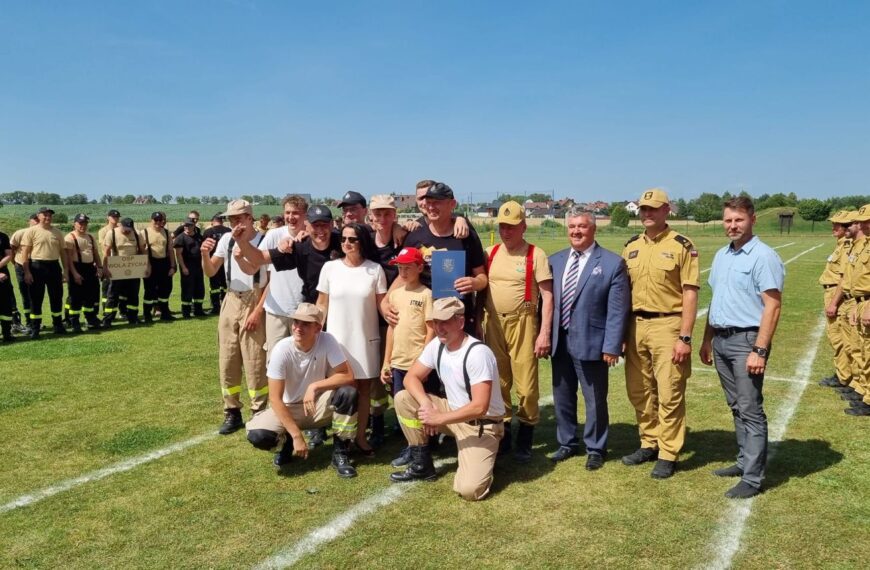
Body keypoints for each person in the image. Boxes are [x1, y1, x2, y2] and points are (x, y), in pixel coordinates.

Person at [699, 196, 784, 499]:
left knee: (750, 409)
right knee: (736, 406)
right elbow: (716, 300)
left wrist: (759, 350)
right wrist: (707, 338)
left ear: (752, 220)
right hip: (721, 339)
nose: (732, 225)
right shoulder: (722, 255)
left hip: (746, 341)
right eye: (728, 220)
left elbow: (772, 306)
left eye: (739, 220)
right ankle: (742, 460)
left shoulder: (763, 256)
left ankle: (752, 477)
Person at [390, 296, 505, 501]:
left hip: (481, 424)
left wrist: (438, 418)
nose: (439, 328)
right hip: (452, 413)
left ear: (460, 322)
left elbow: (480, 406)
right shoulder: (437, 345)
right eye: (435, 322)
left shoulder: (478, 353)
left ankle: (488, 452)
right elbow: (410, 378)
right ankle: (421, 463)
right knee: (403, 398)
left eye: (445, 322)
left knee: (469, 490)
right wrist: (427, 405)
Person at [621, 188, 700, 479]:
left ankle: (668, 452)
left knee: (669, 391)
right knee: (639, 389)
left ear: (667, 210)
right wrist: (621, 333)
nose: (647, 213)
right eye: (643, 208)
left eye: (653, 208)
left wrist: (685, 336)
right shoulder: (631, 246)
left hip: (668, 325)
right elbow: (622, 292)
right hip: (635, 325)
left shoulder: (681, 245)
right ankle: (649, 441)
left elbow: (690, 292)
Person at [548, 209, 630, 469]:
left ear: (593, 229)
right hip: (559, 339)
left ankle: (596, 447)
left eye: (582, 226)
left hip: (592, 340)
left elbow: (617, 310)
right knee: (562, 395)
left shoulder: (612, 263)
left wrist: (612, 345)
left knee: (594, 398)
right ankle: (566, 442)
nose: (576, 231)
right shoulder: (555, 261)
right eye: (572, 226)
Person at [245, 303, 359, 478]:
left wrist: (314, 386)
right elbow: (275, 399)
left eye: (306, 324)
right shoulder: (281, 349)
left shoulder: (327, 340)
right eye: (296, 322)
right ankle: (286, 444)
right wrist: (297, 436)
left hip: (316, 405)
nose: (298, 328)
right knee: (258, 435)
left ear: (318, 328)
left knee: (348, 393)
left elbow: (347, 376)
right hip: (288, 407)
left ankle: (340, 452)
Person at [482, 201, 554, 462]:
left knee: (526, 385)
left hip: (523, 322)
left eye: (512, 227)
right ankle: (503, 431)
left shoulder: (536, 254)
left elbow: (548, 296)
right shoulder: (490, 253)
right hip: (493, 323)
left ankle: (526, 431)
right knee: (498, 381)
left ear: (523, 226)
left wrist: (544, 333)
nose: (506, 232)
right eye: (502, 226)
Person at [316, 223, 388, 455]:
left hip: (365, 339)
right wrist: (315, 330)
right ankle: (342, 440)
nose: (347, 243)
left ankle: (360, 437)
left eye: (353, 239)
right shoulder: (330, 268)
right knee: (343, 389)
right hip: (336, 341)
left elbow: (383, 305)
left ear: (362, 242)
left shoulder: (375, 270)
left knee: (364, 389)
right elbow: (322, 303)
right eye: (344, 239)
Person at [201, 200, 269, 435]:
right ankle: (231, 411)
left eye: (238, 218)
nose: (234, 223)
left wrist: (258, 310)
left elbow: (271, 281)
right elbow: (211, 270)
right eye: (231, 219)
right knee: (227, 357)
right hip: (231, 297)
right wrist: (204, 254)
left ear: (250, 218)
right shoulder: (226, 239)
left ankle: (259, 411)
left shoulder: (263, 240)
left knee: (255, 359)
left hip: (255, 296)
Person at [388, 182, 488, 336]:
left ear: (452, 204)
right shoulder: (415, 237)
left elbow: (482, 277)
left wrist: (474, 283)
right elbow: (404, 274)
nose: (431, 207)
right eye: (428, 202)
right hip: (424, 321)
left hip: (458, 319)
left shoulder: (466, 237)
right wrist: (385, 301)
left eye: (437, 202)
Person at [381, 246, 436, 466]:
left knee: (420, 404)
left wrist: (423, 362)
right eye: (400, 268)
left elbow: (430, 329)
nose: (403, 272)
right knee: (401, 406)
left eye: (408, 268)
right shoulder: (395, 295)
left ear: (420, 268)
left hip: (417, 364)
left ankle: (424, 445)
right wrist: (386, 361)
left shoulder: (426, 295)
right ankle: (412, 445)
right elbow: (391, 329)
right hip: (398, 362)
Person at [258, 195, 306, 359]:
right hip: (276, 311)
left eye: (296, 213)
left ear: (305, 215)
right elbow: (258, 260)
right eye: (287, 213)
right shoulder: (274, 235)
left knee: (302, 361)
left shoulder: (312, 235)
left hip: (302, 311)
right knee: (275, 361)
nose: (291, 217)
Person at [20, 207, 69, 338]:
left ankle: (58, 325)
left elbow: (63, 253)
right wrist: (27, 272)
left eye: (50, 215)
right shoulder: (31, 231)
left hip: (54, 266)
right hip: (37, 266)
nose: (48, 217)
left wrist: (65, 271)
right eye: (45, 215)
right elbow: (25, 253)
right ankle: (35, 328)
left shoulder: (57, 232)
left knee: (56, 297)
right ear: (38, 216)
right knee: (36, 298)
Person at [817, 211, 853, 389]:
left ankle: (845, 377)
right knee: (836, 337)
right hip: (831, 291)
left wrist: (833, 302)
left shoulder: (846, 246)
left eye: (837, 224)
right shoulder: (840, 245)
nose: (833, 227)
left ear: (846, 226)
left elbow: (844, 277)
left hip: (836, 294)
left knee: (839, 337)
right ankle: (843, 374)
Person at [843, 204, 870, 416]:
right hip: (860, 302)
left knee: (868, 352)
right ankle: (864, 392)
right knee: (861, 349)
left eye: (867, 221)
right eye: (862, 221)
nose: (862, 225)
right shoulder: (864, 245)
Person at [102, 218, 149, 326]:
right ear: (120, 225)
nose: (127, 231)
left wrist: (147, 265)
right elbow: (106, 252)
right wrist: (105, 267)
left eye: (129, 229)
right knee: (113, 295)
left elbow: (143, 250)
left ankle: (133, 317)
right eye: (125, 228)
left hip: (133, 270)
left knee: (133, 294)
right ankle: (108, 319)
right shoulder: (112, 233)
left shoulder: (137, 234)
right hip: (117, 270)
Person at [64, 214, 102, 332]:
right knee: (76, 297)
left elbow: (96, 254)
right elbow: (68, 259)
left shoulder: (90, 237)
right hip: (76, 268)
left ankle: (90, 319)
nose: (83, 226)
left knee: (90, 296)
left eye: (85, 223)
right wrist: (74, 274)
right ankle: (74, 322)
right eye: (80, 223)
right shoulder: (70, 237)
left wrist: (100, 267)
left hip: (90, 268)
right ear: (74, 224)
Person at [141, 212, 177, 322]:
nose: (158, 222)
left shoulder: (166, 232)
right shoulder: (144, 233)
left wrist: (172, 266)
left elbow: (170, 250)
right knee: (149, 291)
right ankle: (147, 315)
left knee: (165, 290)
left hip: (164, 263)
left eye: (160, 220)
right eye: (155, 220)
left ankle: (165, 313)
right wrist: (147, 266)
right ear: (151, 220)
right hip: (151, 263)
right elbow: (142, 251)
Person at [10, 213, 38, 332]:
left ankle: (35, 321)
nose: (37, 221)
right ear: (29, 221)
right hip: (21, 266)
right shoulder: (20, 233)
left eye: (38, 219)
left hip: (36, 266)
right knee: (25, 294)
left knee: (35, 294)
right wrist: (16, 263)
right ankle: (28, 322)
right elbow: (11, 249)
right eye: (34, 219)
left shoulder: (40, 233)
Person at [174, 221, 205, 318]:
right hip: (187, 267)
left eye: (189, 225)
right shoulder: (180, 238)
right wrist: (183, 267)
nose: (186, 227)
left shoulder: (199, 237)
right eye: (185, 225)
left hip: (198, 267)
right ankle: (186, 312)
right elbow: (178, 254)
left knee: (199, 288)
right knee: (187, 289)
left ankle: (198, 310)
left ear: (194, 226)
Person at [202, 214, 231, 314]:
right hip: (226, 262)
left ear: (212, 221)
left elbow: (204, 246)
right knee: (225, 284)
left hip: (213, 262)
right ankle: (225, 305)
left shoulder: (208, 232)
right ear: (222, 221)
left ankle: (215, 306)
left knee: (214, 286)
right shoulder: (228, 231)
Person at [98, 209, 122, 318]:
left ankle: (117, 312)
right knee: (107, 289)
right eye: (113, 217)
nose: (115, 219)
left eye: (117, 217)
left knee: (118, 290)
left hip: (119, 263)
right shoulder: (103, 231)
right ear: (108, 217)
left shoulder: (120, 229)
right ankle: (106, 311)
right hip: (108, 262)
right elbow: (104, 248)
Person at [0, 230, 13, 342]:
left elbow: (9, 255)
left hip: (3, 275)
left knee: (6, 304)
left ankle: (7, 333)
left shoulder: (3, 236)